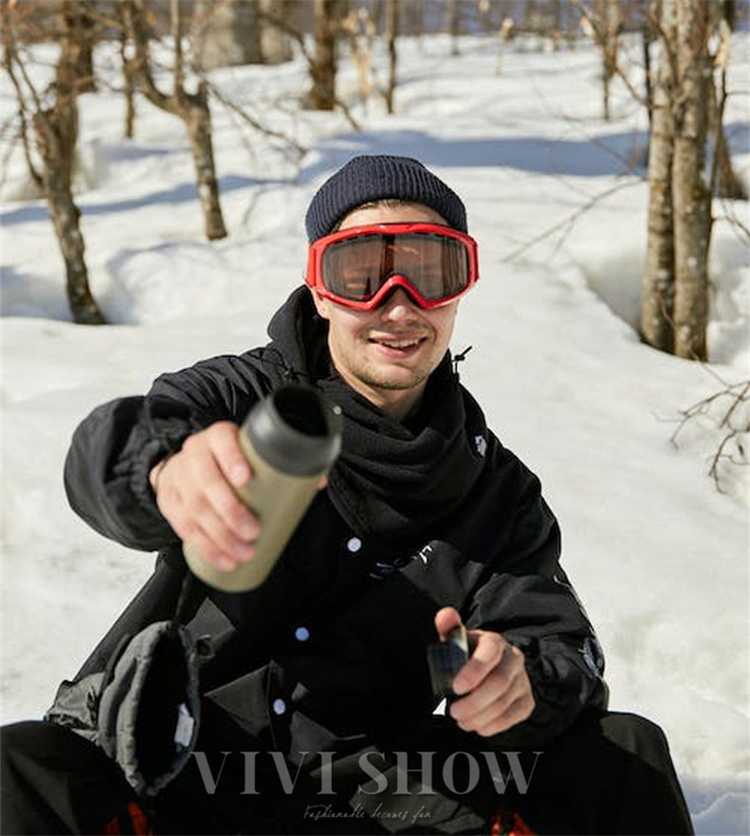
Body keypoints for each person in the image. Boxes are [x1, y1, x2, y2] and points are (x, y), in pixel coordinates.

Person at [0, 155, 693, 835]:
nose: (399, 304)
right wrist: (162, 470)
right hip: (178, 774)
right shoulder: (244, 402)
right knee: (17, 769)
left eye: (431, 272)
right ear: (321, 290)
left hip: (383, 798)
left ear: (459, 291)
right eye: (360, 274)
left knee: (624, 755)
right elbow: (110, 447)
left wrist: (521, 681)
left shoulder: (495, 491)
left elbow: (559, 644)